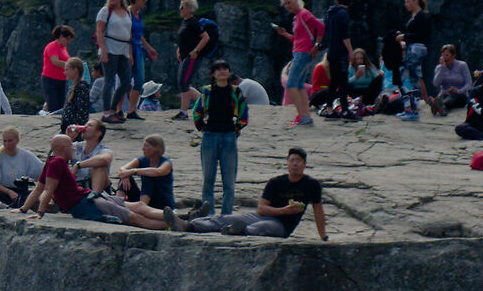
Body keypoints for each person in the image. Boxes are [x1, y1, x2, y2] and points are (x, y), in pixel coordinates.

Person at [187, 148, 326, 238]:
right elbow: (261, 208)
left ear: (304, 164)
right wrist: (283, 210)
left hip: (282, 226)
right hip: (261, 216)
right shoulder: (276, 182)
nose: (295, 164)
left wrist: (323, 236)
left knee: (261, 228)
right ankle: (190, 225)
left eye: (299, 161)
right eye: (292, 161)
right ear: (287, 164)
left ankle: (236, 231)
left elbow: (318, 212)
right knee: (226, 218)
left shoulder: (311, 185)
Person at [193, 60, 249, 215]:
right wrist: (202, 128)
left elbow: (244, 113)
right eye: (218, 69)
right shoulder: (207, 91)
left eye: (225, 68)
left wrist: (237, 127)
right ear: (213, 74)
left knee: (229, 182)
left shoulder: (236, 92)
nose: (222, 71)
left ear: (229, 72)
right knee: (208, 180)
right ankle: (209, 214)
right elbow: (197, 112)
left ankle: (226, 215)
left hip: (229, 137)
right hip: (210, 136)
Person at [21, 134, 107, 222]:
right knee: (118, 211)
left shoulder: (51, 161)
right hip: (82, 203)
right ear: (64, 148)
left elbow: (38, 189)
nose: (73, 149)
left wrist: (23, 209)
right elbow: (48, 190)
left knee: (116, 204)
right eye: (71, 146)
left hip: (82, 200)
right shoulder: (58, 162)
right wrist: (40, 213)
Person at [272, 0, 321, 127]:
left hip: (302, 53)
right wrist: (284, 34)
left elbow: (321, 27)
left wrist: (316, 46)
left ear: (296, 0)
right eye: (285, 4)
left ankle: (302, 116)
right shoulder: (297, 17)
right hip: (300, 52)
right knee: (299, 86)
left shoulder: (304, 14)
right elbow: (297, 39)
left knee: (290, 85)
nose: (287, 6)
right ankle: (306, 116)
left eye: (289, 2)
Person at [93, 0, 135, 124]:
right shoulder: (105, 11)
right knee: (109, 81)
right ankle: (106, 112)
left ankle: (113, 109)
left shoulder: (126, 11)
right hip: (110, 47)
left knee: (126, 81)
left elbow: (129, 33)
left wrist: (130, 53)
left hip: (123, 49)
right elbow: (99, 31)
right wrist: (103, 50)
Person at [172, 0, 217, 119]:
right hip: (185, 56)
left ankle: (184, 112)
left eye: (182, 7)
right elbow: (184, 40)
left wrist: (196, 51)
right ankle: (207, 105)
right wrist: (179, 51)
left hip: (192, 58)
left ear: (188, 9)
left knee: (184, 83)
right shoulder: (185, 22)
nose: (180, 10)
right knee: (183, 83)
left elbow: (205, 37)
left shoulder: (193, 22)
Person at [0, 127, 41, 208]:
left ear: (17, 140)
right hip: (3, 190)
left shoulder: (26, 155)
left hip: (20, 191)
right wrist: (9, 192)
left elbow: (41, 171)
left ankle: (12, 205)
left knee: (34, 195)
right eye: (4, 141)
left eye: (10, 141)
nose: (7, 144)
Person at [393, 0, 433, 110]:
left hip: (417, 48)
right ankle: (410, 105)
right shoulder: (414, 16)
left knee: (412, 76)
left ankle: (413, 106)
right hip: (412, 48)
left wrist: (405, 36)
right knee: (407, 75)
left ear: (416, 0)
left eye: (408, 1)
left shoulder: (423, 16)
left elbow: (422, 35)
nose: (406, 4)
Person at [115, 135, 176, 212]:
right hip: (145, 197)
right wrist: (125, 175)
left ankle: (142, 207)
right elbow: (122, 169)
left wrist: (133, 171)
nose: (143, 149)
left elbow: (158, 171)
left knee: (148, 175)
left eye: (146, 146)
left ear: (157, 147)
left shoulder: (166, 163)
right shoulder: (142, 160)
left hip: (162, 201)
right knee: (125, 177)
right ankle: (117, 202)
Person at [323, 0, 356, 100]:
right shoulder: (343, 13)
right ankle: (345, 108)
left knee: (334, 80)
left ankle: (329, 107)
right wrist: (351, 51)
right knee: (343, 81)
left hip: (331, 50)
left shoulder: (331, 13)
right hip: (340, 52)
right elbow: (344, 35)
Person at [39, 25, 75, 116]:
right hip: (50, 80)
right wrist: (70, 65)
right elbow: (55, 61)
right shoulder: (52, 46)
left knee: (60, 105)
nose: (68, 42)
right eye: (67, 39)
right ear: (61, 37)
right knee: (53, 105)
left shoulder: (63, 48)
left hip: (61, 80)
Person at [429, 45, 472, 115]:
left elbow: (469, 83)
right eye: (443, 55)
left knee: (453, 97)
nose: (444, 58)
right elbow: (436, 84)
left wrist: (458, 91)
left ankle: (439, 106)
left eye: (447, 55)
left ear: (453, 55)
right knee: (442, 97)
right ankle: (441, 107)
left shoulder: (462, 65)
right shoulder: (439, 68)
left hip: (460, 94)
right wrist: (442, 68)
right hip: (445, 93)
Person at [58, 55, 94, 129]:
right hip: (68, 128)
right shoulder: (72, 87)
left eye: (67, 70)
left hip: (75, 131)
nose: (64, 73)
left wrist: (76, 129)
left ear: (75, 70)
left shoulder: (81, 88)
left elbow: (82, 113)